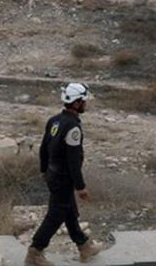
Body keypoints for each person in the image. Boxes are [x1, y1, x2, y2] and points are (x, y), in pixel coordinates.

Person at [25, 82, 100, 266]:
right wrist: (80, 187)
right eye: (83, 101)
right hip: (63, 179)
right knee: (56, 215)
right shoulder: (73, 128)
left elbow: (44, 148)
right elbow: (73, 161)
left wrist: (44, 170)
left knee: (70, 212)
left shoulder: (55, 121)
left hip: (52, 174)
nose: (85, 104)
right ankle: (35, 252)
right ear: (76, 103)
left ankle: (84, 246)